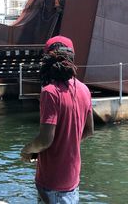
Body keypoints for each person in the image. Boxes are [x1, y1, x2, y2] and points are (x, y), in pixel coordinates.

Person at [21, 35, 94, 204]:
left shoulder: (50, 92)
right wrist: (68, 143)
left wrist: (27, 150)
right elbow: (89, 130)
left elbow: (45, 140)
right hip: (72, 178)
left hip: (52, 182)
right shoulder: (84, 89)